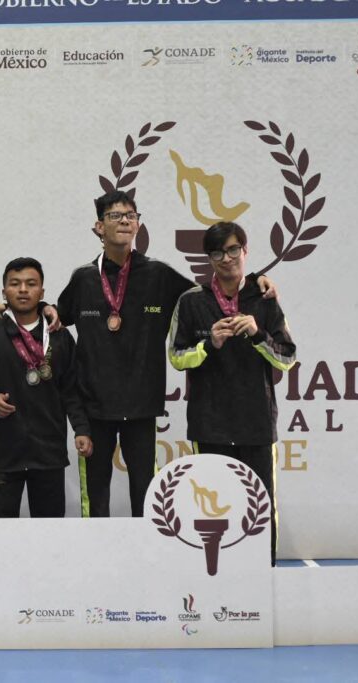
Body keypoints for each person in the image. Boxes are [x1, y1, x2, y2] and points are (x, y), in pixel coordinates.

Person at [57, 190, 276, 519]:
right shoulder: (83, 279)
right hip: (94, 406)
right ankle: (95, 552)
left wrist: (256, 280)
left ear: (138, 225)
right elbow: (57, 317)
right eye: (115, 216)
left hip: (142, 407)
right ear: (99, 227)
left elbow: (210, 295)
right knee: (96, 497)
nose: (124, 221)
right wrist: (39, 309)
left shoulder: (158, 274)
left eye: (131, 215)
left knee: (147, 496)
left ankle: (146, 552)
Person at [168, 222, 296, 563]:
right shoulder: (191, 301)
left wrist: (257, 334)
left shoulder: (264, 298)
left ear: (245, 250)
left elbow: (287, 359)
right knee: (213, 511)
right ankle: (215, 579)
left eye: (233, 249)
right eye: (217, 253)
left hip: (256, 423)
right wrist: (209, 344)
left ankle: (264, 575)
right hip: (210, 425)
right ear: (209, 259)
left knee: (260, 508)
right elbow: (176, 357)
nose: (227, 258)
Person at [0, 257, 93, 518]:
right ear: (4, 292)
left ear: (42, 292)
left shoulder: (59, 334)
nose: (23, 290)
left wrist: (81, 428)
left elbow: (71, 388)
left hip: (48, 452)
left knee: (49, 531)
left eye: (31, 284)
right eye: (15, 284)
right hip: (3, 452)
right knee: (0, 531)